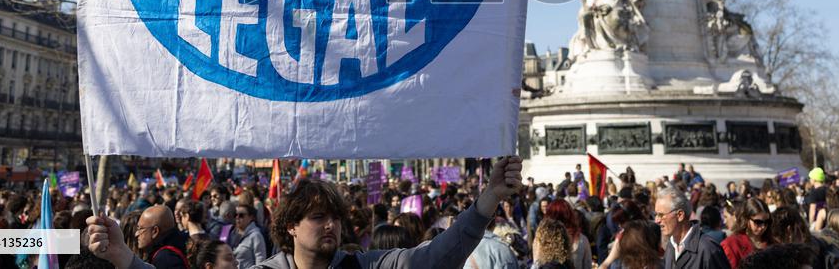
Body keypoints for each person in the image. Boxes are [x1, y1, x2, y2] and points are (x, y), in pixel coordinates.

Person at [87, 156, 523, 269]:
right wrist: (125, 257)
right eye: (317, 217)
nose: (330, 224)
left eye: (334, 216)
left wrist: (487, 201)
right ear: (290, 226)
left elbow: (435, 257)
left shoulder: (364, 265)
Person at [654, 187, 728, 269]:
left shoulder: (708, 249)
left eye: (661, 215)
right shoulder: (671, 245)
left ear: (680, 215)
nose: (656, 220)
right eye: (656, 215)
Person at [720, 198, 772, 268]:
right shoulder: (731, 244)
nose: (763, 226)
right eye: (758, 222)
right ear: (746, 219)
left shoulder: (773, 243)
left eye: (767, 222)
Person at [136, 204, 189, 269]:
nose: (136, 234)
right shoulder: (182, 242)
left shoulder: (165, 258)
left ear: (155, 231)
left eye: (141, 229)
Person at [544, 199, 591, 269]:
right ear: (570, 215)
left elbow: (537, 264)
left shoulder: (543, 239)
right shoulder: (582, 239)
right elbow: (587, 266)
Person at [229, 203, 268, 268]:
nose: (237, 217)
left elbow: (260, 261)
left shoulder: (256, 236)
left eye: (241, 215)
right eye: (235, 214)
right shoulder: (232, 233)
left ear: (251, 217)